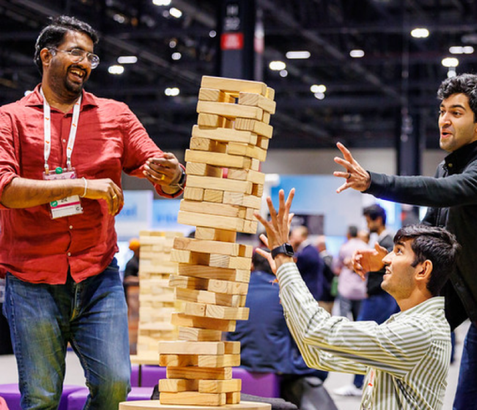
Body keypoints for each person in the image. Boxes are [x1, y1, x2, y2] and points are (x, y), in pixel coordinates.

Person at [334, 73, 477, 409]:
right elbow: (427, 239)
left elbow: (444, 192)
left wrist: (372, 182)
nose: (444, 120)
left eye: (456, 112)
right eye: (441, 111)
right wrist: (388, 259)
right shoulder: (445, 170)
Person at [0, 16, 185, 409]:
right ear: (46, 56)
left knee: (116, 385)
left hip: (98, 273)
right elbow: (6, 190)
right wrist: (82, 186)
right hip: (31, 279)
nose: (85, 61)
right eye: (76, 52)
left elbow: (159, 170)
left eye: (91, 56)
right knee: (42, 397)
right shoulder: (11, 118)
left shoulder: (115, 115)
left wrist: (173, 174)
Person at [255, 189, 459, 410]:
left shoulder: (419, 330)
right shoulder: (407, 324)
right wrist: (286, 281)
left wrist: (284, 259)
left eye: (398, 252)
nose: (387, 259)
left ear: (423, 270)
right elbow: (318, 355)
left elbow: (318, 330)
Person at [226, 251, 335, 409]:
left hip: (238, 361)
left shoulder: (235, 292)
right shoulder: (283, 294)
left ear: (251, 266)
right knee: (318, 367)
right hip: (275, 363)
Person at [334, 204, 399, 397]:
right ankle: (365, 382)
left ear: (377, 220)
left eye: (368, 220)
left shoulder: (387, 241)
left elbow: (383, 267)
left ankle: (357, 383)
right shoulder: (382, 240)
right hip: (380, 297)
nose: (367, 224)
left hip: (380, 297)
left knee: (361, 337)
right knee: (376, 341)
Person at [333, 225, 368, 320]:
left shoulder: (344, 247)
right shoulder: (365, 247)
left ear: (348, 234)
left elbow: (336, 267)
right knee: (359, 319)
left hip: (346, 288)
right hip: (361, 288)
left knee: (344, 319)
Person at [288, 226, 326, 303]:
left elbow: (293, 270)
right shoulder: (311, 250)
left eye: (294, 236)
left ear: (302, 237)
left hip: (308, 292)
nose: (291, 239)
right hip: (312, 290)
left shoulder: (305, 253)